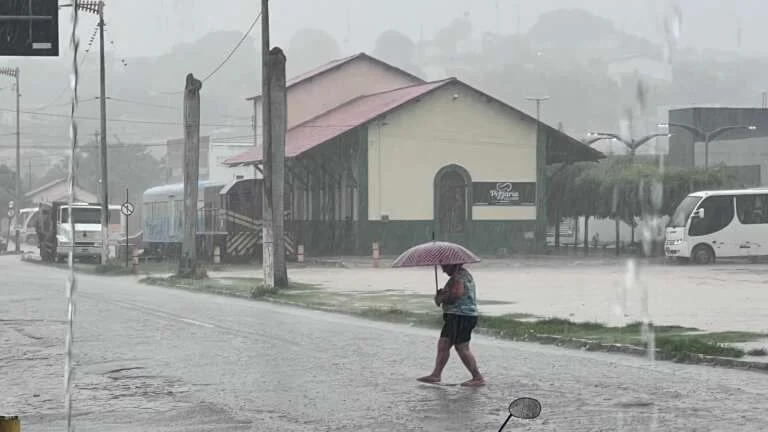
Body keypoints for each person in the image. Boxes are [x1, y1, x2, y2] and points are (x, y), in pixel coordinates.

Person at [417, 263, 484, 387]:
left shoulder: (459, 276)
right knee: (443, 344)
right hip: (457, 316)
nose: (443, 270)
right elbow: (454, 293)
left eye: (445, 267)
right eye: (442, 267)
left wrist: (442, 298)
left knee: (461, 347)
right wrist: (443, 294)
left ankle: (477, 377)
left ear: (454, 265)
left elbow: (456, 295)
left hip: (461, 316)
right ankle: (436, 374)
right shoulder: (460, 276)